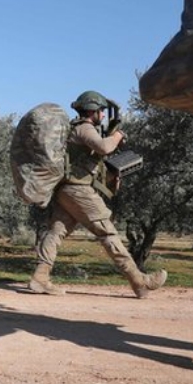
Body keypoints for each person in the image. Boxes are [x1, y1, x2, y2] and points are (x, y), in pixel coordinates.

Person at [29, 90, 168, 298]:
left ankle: (40, 277)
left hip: (67, 189)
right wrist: (118, 135)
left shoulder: (77, 130)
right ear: (92, 110)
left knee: (56, 232)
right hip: (78, 191)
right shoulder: (84, 129)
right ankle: (139, 281)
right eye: (101, 111)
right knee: (107, 232)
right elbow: (104, 147)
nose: (102, 115)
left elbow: (93, 159)